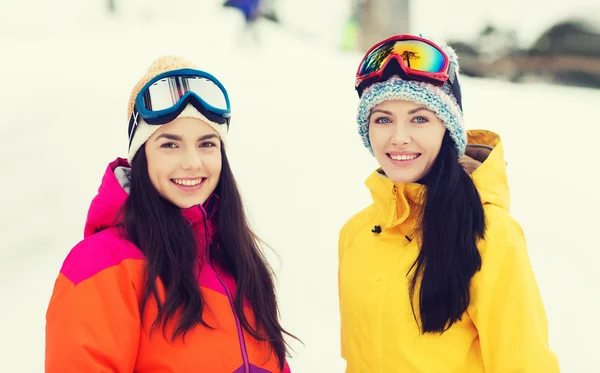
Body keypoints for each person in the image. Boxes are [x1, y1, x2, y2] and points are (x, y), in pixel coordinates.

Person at [45, 56, 294, 373]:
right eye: (170, 145)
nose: (192, 162)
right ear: (141, 156)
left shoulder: (237, 260)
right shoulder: (101, 264)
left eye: (206, 144)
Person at [337, 34, 560, 372]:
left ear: (447, 129)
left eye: (419, 118)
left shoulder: (489, 232)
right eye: (383, 119)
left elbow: (524, 363)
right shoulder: (356, 234)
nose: (398, 137)